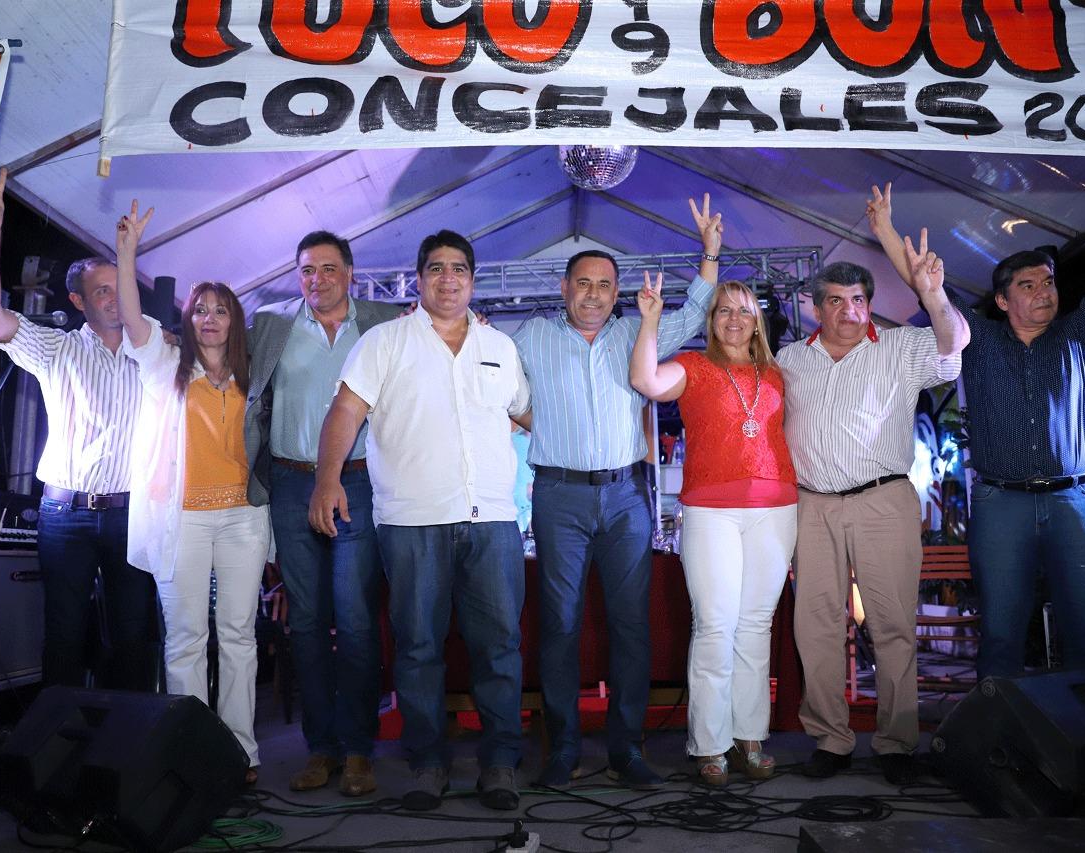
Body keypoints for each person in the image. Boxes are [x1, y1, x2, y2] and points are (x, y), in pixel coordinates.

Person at [867, 126, 1085, 680]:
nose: (1046, 291)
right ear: (1002, 298)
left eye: (1049, 282)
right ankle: (999, 756)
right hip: (1002, 505)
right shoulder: (980, 341)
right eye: (1030, 285)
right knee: (1000, 639)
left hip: (1080, 502)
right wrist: (888, 234)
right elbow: (930, 292)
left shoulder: (1083, 334)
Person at [308, 230, 531, 812]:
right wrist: (327, 479)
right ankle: (427, 763)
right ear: (419, 279)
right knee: (418, 647)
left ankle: (501, 763)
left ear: (473, 280)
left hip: (492, 521)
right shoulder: (384, 342)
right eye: (436, 269)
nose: (448, 278)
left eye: (459, 269)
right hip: (410, 522)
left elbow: (525, 411)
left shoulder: (500, 347)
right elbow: (345, 410)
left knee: (500, 647)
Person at [512, 197, 719, 790]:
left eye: (605, 284)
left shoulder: (637, 331)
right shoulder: (529, 337)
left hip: (628, 497)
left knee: (630, 626)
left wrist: (709, 254)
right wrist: (540, 425)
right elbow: (496, 388)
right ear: (564, 287)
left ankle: (627, 751)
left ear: (617, 290)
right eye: (584, 283)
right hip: (558, 496)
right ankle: (563, 750)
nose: (595, 294)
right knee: (559, 625)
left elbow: (694, 315)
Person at [777, 246, 967, 785]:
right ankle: (831, 741)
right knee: (813, 626)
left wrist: (931, 293)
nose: (850, 311)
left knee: (892, 627)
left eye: (859, 300)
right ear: (817, 309)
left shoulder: (903, 346)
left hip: (883, 499)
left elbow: (953, 348)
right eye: (836, 301)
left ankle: (896, 744)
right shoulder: (790, 360)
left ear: (869, 304)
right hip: (810, 503)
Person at [0, 165, 158, 690]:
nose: (115, 296)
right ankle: (59, 756)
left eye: (118, 285)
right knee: (64, 638)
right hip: (64, 514)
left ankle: (133, 755)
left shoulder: (154, 351)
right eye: (101, 291)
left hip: (130, 514)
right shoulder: (59, 348)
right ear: (77, 302)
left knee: (133, 637)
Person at [115, 202, 271, 781]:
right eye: (200, 309)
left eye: (221, 310)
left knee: (237, 635)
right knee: (185, 639)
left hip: (242, 520)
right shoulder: (163, 361)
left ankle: (240, 752)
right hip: (179, 519)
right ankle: (191, 753)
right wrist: (127, 253)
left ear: (235, 320)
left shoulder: (251, 374)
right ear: (188, 318)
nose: (210, 318)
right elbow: (132, 319)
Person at [630, 274, 798, 785]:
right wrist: (652, 320)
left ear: (757, 323)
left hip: (775, 508)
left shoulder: (778, 373)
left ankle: (750, 739)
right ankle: (709, 745)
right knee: (715, 625)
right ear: (711, 320)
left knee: (755, 627)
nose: (734, 319)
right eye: (724, 310)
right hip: (710, 511)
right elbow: (645, 382)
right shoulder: (694, 366)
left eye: (744, 311)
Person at [245, 231, 397, 796]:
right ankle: (320, 749)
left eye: (329, 269)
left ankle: (359, 751)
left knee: (356, 622)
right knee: (305, 624)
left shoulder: (383, 321)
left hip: (359, 485)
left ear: (351, 273)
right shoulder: (270, 325)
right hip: (289, 482)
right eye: (308, 270)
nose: (318, 280)